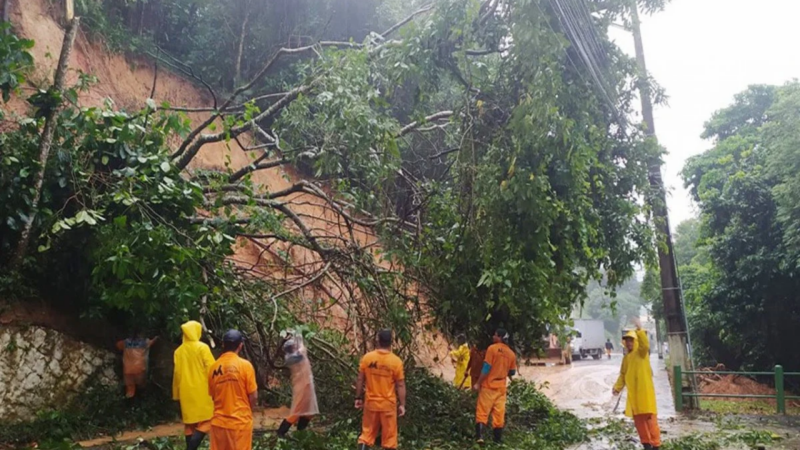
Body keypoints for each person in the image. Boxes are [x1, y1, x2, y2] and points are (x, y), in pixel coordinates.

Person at [613, 318, 660, 450]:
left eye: (631, 340)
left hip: (645, 394)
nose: (629, 343)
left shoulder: (642, 353)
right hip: (634, 397)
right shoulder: (626, 358)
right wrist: (617, 388)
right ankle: (646, 444)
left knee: (651, 421)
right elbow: (623, 375)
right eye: (627, 341)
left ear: (636, 341)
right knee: (639, 422)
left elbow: (645, 345)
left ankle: (656, 445)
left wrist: (639, 329)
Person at [355, 329, 406, 450]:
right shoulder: (396, 362)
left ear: (378, 340)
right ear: (391, 342)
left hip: (371, 403)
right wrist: (402, 404)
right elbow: (400, 385)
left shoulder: (367, 358)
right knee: (389, 440)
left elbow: (360, 379)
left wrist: (358, 397)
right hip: (388, 405)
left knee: (366, 436)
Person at [208, 330, 258, 450]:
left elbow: (213, 396)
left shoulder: (213, 368)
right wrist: (246, 411)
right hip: (239, 425)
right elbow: (254, 396)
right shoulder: (245, 366)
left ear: (223, 345)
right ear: (240, 345)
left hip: (219, 424)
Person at [173, 320, 216, 450]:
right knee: (208, 420)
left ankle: (190, 447)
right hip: (202, 390)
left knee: (189, 424)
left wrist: (176, 394)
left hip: (185, 391)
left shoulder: (178, 351)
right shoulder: (202, 347)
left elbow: (177, 374)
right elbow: (212, 369)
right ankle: (190, 448)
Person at [473, 328, 517, 444]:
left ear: (500, 338)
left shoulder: (492, 349)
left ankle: (480, 437)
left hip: (489, 386)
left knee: (482, 411)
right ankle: (497, 441)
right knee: (499, 414)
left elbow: (486, 368)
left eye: (495, 335)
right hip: (501, 388)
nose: (493, 337)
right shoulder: (511, 354)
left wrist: (478, 383)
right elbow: (512, 372)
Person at [277, 332, 319, 438]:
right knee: (297, 412)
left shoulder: (294, 355)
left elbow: (300, 342)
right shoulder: (296, 355)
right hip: (303, 387)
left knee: (309, 412)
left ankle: (300, 432)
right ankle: (281, 433)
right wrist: (296, 331)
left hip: (306, 385)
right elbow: (300, 342)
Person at [116, 333, 158, 398]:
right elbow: (152, 342)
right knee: (141, 386)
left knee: (130, 389)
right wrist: (156, 337)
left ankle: (129, 400)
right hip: (140, 369)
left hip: (128, 370)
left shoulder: (126, 342)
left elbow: (118, 345)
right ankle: (141, 399)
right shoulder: (144, 342)